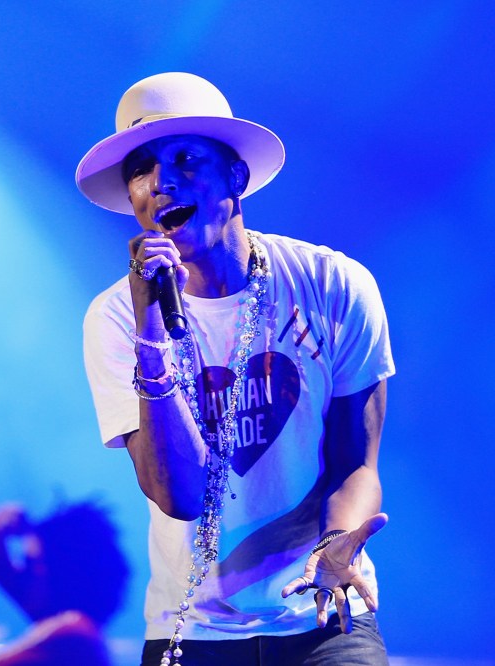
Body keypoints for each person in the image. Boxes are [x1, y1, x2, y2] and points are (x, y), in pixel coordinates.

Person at [76, 72, 394, 666]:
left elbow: (356, 461)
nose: (161, 181)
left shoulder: (333, 286)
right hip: (190, 629)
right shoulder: (116, 317)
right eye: (141, 169)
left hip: (322, 614)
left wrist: (335, 545)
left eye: (186, 158)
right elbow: (181, 495)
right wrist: (151, 335)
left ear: (236, 176)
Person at [0, 500, 130, 666]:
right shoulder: (81, 633)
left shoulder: (72, 633)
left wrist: (4, 521)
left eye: (31, 563)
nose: (23, 574)